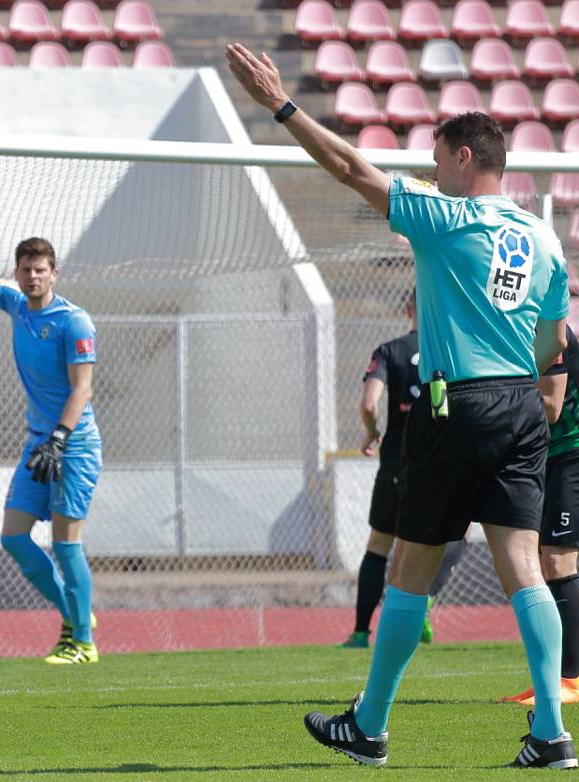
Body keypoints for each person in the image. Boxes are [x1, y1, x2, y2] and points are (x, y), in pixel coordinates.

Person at [227, 43, 574, 769]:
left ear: (461, 160)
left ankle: (372, 726)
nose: (434, 168)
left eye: (439, 156)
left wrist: (280, 106)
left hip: (461, 403)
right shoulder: (542, 238)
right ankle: (550, 731)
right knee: (523, 568)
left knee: (411, 564)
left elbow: (352, 168)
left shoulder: (450, 218)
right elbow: (552, 344)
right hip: (518, 405)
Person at [0, 180, 102, 665]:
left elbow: (82, 388)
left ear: (54, 273)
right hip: (39, 445)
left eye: (40, 270)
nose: (32, 277)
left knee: (64, 542)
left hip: (71, 445)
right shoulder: (16, 305)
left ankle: (83, 642)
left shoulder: (75, 321)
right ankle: (77, 615)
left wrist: (59, 439)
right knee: (13, 537)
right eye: (25, 270)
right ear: (17, 274)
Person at [341, 290, 466, 649]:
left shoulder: (388, 350)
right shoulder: (451, 350)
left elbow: (369, 402)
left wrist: (372, 431)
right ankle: (425, 597)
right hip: (439, 460)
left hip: (397, 461)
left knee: (380, 544)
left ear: (409, 309)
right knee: (455, 535)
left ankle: (361, 632)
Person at [501, 324, 579, 706]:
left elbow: (551, 407)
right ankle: (553, 680)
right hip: (544, 456)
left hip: (570, 453)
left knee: (557, 559)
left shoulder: (550, 331)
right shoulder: (514, 329)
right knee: (541, 562)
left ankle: (571, 680)